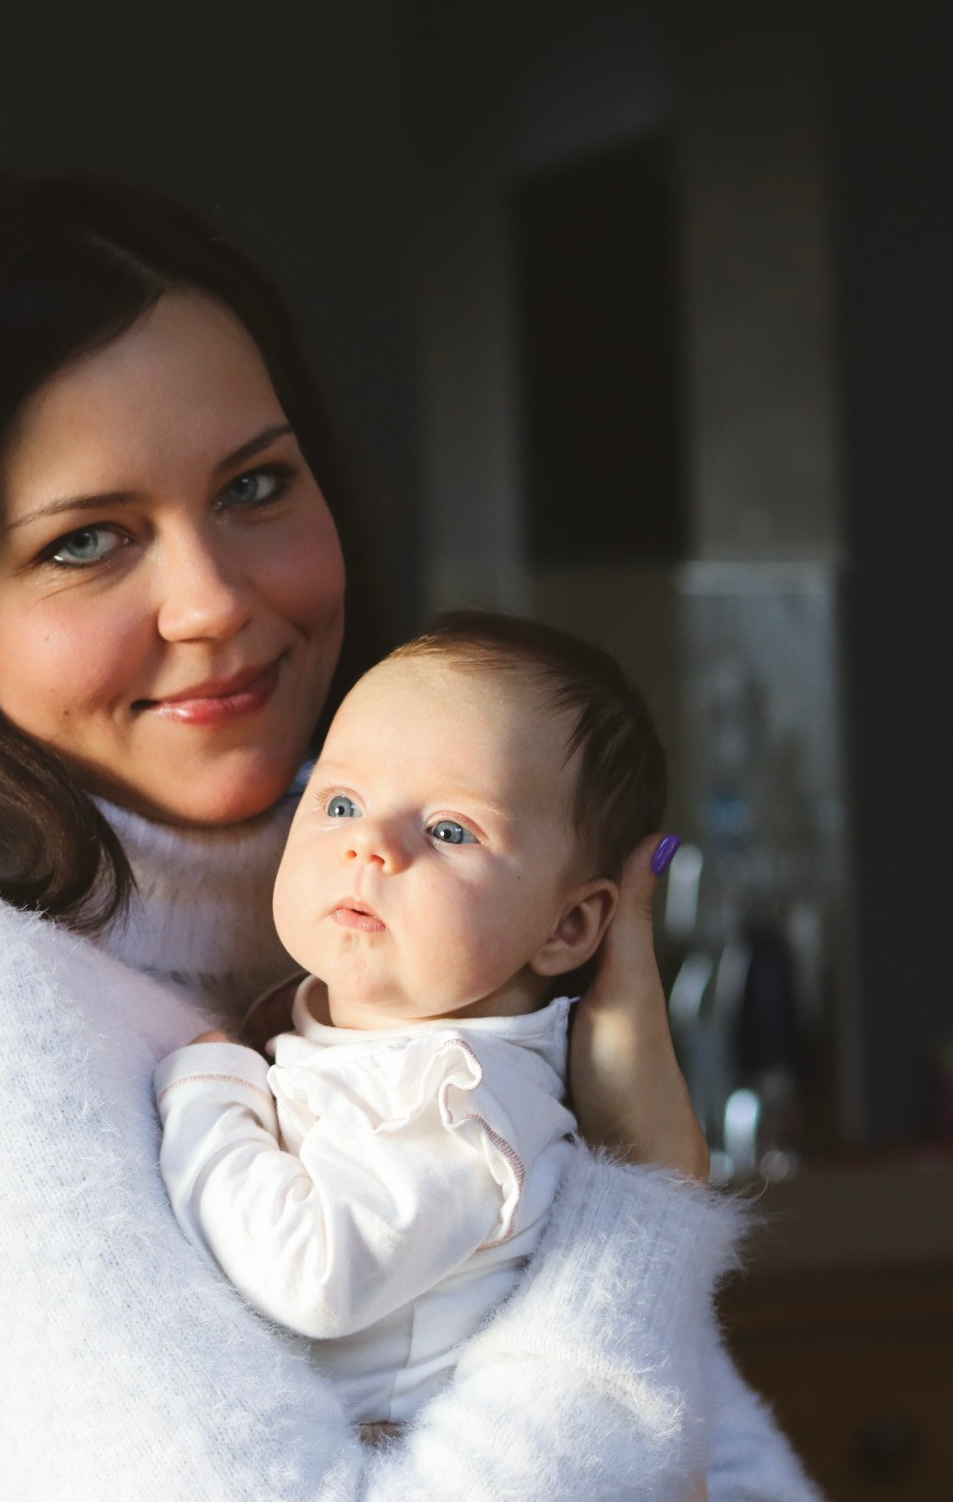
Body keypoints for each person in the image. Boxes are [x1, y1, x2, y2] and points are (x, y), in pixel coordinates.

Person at [0, 175, 818, 1499]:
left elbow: (723, 1465)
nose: (213, 601)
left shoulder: (392, 939)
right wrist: (644, 1202)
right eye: (86, 541)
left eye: (255, 484)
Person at [156, 612, 672, 1438]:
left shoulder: (460, 1106)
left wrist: (207, 1096)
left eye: (448, 830)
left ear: (568, 926)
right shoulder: (370, 1033)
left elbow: (314, 1275)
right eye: (341, 801)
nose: (369, 845)